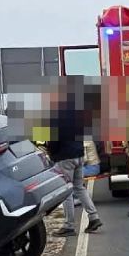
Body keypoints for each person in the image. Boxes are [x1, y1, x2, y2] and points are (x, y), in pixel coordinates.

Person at [45, 86, 103, 237]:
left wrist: (51, 153)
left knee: (66, 192)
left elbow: (54, 139)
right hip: (78, 155)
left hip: (65, 157)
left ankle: (69, 225)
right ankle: (94, 217)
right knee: (79, 188)